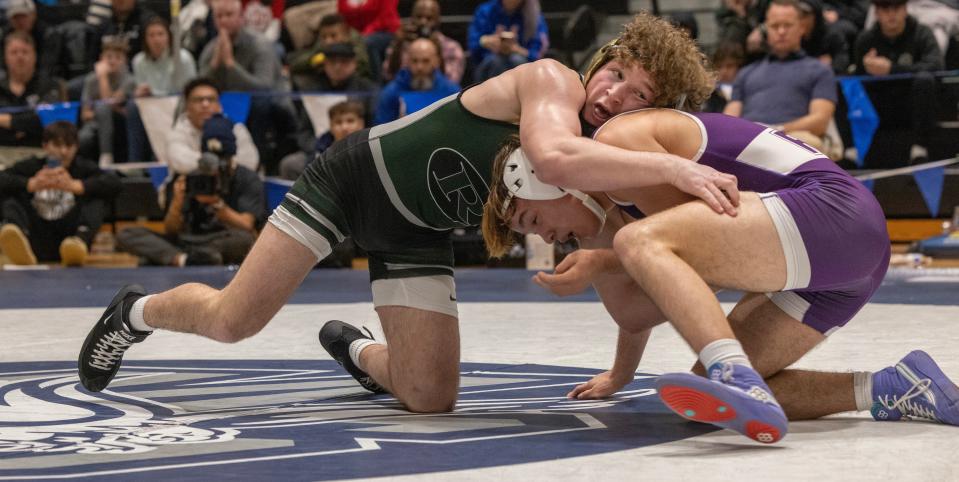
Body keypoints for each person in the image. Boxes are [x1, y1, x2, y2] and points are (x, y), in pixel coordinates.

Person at [75, 13, 720, 414]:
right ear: (598, 63)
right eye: (616, 75)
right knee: (233, 320)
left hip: (415, 228)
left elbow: (636, 264)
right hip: (352, 181)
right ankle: (134, 312)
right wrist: (671, 167)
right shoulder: (552, 82)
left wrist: (620, 372)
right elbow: (550, 157)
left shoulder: (607, 174)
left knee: (431, 397)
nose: (612, 96)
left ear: (649, 115)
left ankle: (357, 352)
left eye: (638, 97)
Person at [483, 109, 959, 443]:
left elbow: (695, 264)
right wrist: (622, 372)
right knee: (708, 398)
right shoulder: (617, 203)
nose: (547, 235)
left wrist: (606, 261)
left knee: (640, 247)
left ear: (547, 179)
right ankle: (895, 387)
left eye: (531, 220)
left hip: (833, 213)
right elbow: (636, 309)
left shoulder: (617, 146)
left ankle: (737, 373)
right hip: (837, 262)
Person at [117, 114, 263, 266]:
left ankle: (172, 257)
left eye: (223, 160)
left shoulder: (247, 177)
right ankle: (184, 259)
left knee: (244, 240)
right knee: (127, 234)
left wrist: (219, 206)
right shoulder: (188, 177)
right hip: (186, 240)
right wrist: (177, 202)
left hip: (221, 238)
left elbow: (247, 225)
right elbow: (170, 229)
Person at [0, 121, 120, 266]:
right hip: (35, 236)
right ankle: (19, 241)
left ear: (76, 147)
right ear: (45, 145)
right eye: (57, 145)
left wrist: (77, 186)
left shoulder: (83, 167)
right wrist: (29, 184)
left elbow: (115, 183)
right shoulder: (32, 166)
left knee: (97, 197)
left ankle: (78, 242)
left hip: (69, 236)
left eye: (69, 146)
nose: (63, 151)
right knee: (10, 195)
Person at [724, 0, 837, 152]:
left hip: (794, 140)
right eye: (775, 26)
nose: (781, 31)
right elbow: (729, 118)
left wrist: (775, 130)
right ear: (766, 29)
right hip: (749, 141)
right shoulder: (747, 73)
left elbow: (820, 121)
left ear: (801, 28)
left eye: (788, 25)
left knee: (808, 141)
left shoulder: (820, 71)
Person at [853, 0, 942, 164]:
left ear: (905, 10)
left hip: (912, 107)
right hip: (880, 107)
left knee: (925, 80)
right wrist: (866, 70)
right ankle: (852, 149)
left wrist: (892, 69)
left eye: (896, 8)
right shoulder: (865, 40)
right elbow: (856, 81)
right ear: (877, 13)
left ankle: (920, 147)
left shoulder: (922, 33)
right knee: (849, 83)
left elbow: (936, 67)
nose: (891, 14)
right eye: (885, 9)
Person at [127, 16, 198, 163]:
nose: (156, 39)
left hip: (177, 103)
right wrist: (139, 93)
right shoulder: (138, 61)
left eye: (160, 34)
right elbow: (140, 90)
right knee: (132, 107)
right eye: (151, 35)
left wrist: (156, 94)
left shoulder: (183, 59)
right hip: (150, 105)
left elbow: (191, 91)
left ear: (169, 37)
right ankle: (135, 162)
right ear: (145, 39)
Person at [165, 77, 259, 175]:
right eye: (198, 100)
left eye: (211, 99)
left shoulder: (237, 129)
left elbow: (250, 161)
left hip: (231, 186)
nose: (205, 104)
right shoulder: (177, 132)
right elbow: (180, 162)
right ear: (187, 106)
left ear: (219, 105)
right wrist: (224, 164)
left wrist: (210, 164)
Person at [0, 32, 64, 164]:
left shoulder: (50, 85)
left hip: (41, 153)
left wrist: (7, 121)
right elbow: (33, 120)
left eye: (25, 52)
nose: (20, 57)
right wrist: (25, 124)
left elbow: (47, 120)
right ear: (5, 57)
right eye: (14, 52)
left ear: (35, 56)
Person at [373, 37, 459, 125]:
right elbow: (381, 129)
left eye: (426, 61)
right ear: (407, 61)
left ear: (436, 61)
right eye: (415, 61)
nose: (419, 67)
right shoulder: (391, 93)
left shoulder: (451, 93)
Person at [78, 36, 135, 167]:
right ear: (101, 58)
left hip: (120, 122)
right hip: (95, 123)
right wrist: (101, 111)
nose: (113, 61)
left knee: (102, 107)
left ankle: (106, 156)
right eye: (109, 57)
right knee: (83, 137)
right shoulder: (91, 80)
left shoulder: (129, 80)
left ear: (125, 61)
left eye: (118, 57)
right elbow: (85, 114)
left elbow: (108, 103)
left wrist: (103, 77)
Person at [279, 100, 366, 181]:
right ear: (331, 126)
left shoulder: (370, 146)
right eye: (338, 122)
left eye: (350, 121)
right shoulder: (320, 147)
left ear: (361, 124)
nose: (344, 127)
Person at [383, 0, 465, 84]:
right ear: (412, 18)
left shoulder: (452, 47)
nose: (423, 22)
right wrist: (398, 45)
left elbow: (452, 82)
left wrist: (438, 51)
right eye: (418, 17)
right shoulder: (401, 44)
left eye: (429, 18)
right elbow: (388, 76)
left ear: (437, 20)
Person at [467, 0, 549, 83]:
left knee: (516, 60)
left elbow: (537, 55)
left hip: (521, 65)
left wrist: (516, 49)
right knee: (497, 62)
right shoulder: (486, 11)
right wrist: (485, 41)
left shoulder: (533, 14)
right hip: (489, 64)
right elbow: (473, 45)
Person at [288, 13, 372, 82]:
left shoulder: (355, 40)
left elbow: (362, 65)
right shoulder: (322, 44)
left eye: (333, 36)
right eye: (324, 37)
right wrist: (313, 61)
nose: (328, 41)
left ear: (346, 34)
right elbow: (299, 63)